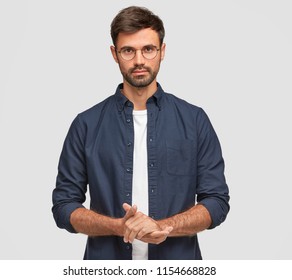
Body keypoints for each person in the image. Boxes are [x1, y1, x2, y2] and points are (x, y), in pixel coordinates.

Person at [52, 6, 230, 260]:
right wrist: (118, 226)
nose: (139, 60)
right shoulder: (86, 124)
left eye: (148, 49)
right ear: (114, 54)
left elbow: (216, 201)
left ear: (162, 51)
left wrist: (163, 226)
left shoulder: (194, 120)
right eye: (128, 50)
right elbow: (63, 206)